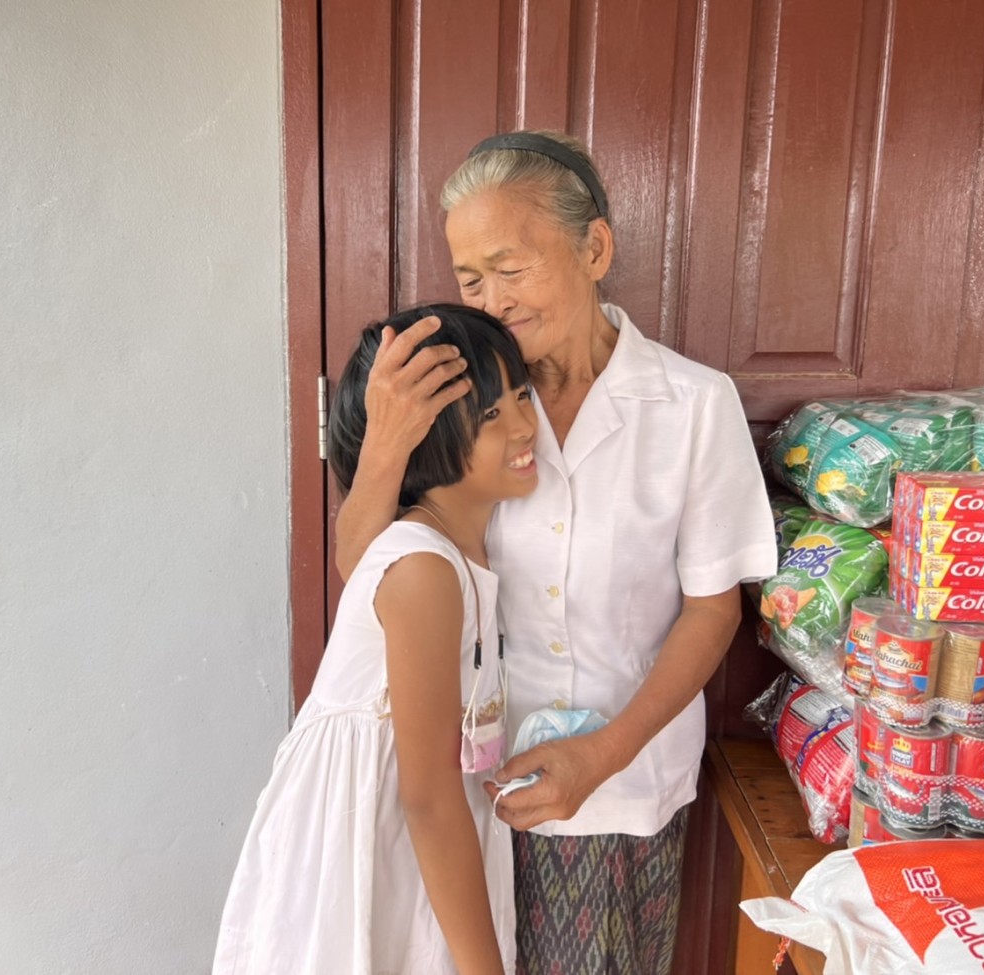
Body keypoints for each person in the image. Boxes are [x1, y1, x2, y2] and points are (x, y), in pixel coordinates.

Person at [334, 131, 777, 975]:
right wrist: (386, 442)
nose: (492, 300)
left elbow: (713, 608)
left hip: (625, 788)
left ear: (594, 248)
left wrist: (603, 753)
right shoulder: (463, 402)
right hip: (470, 789)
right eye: (471, 279)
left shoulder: (692, 405)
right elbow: (371, 573)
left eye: (512, 267)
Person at [214, 303, 539, 975]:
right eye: (490, 413)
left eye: (523, 396)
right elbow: (428, 798)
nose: (525, 425)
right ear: (421, 438)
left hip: (407, 845)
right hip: (365, 847)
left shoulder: (459, 550)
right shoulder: (422, 568)